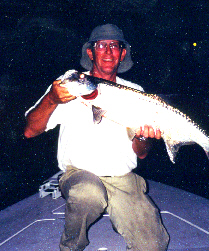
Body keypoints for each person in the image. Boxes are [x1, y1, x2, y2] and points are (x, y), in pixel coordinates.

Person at [24, 24, 169, 251]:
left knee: (153, 245)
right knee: (88, 194)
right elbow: (30, 130)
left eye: (115, 46)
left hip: (122, 178)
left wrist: (143, 137)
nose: (108, 51)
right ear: (90, 52)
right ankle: (71, 245)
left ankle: (121, 215)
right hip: (80, 176)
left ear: (122, 54)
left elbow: (141, 152)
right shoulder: (69, 84)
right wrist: (51, 99)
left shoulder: (135, 91)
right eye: (101, 45)